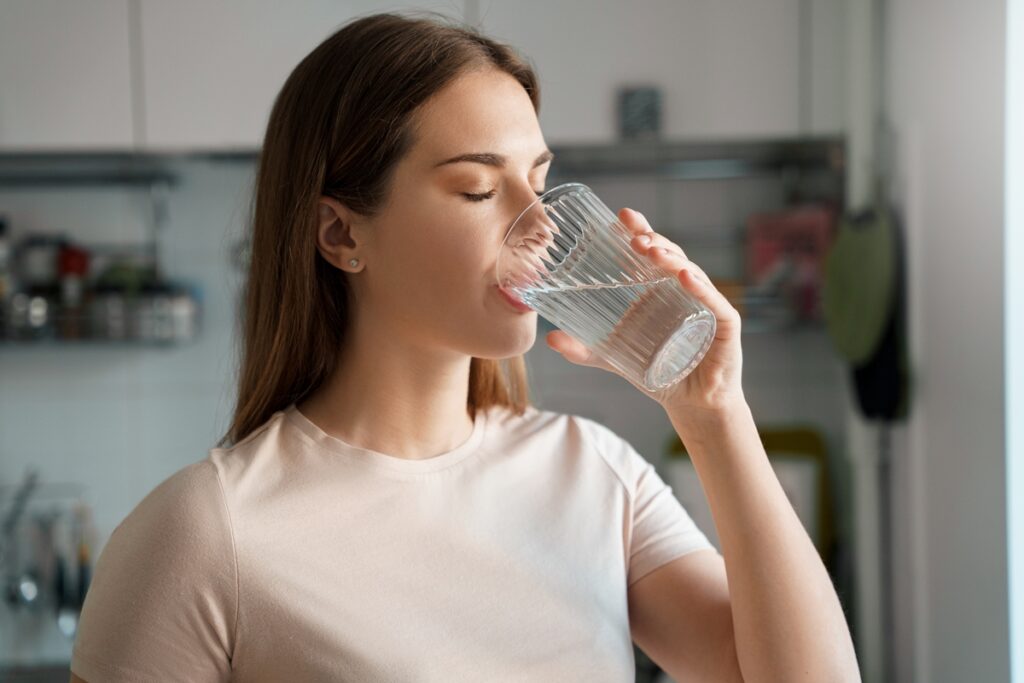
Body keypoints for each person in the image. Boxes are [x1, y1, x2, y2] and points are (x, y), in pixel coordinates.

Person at [69, 11, 859, 683]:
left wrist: (716, 413)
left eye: (539, 178)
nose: (541, 224)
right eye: (480, 189)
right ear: (341, 233)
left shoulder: (596, 475)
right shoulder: (207, 534)